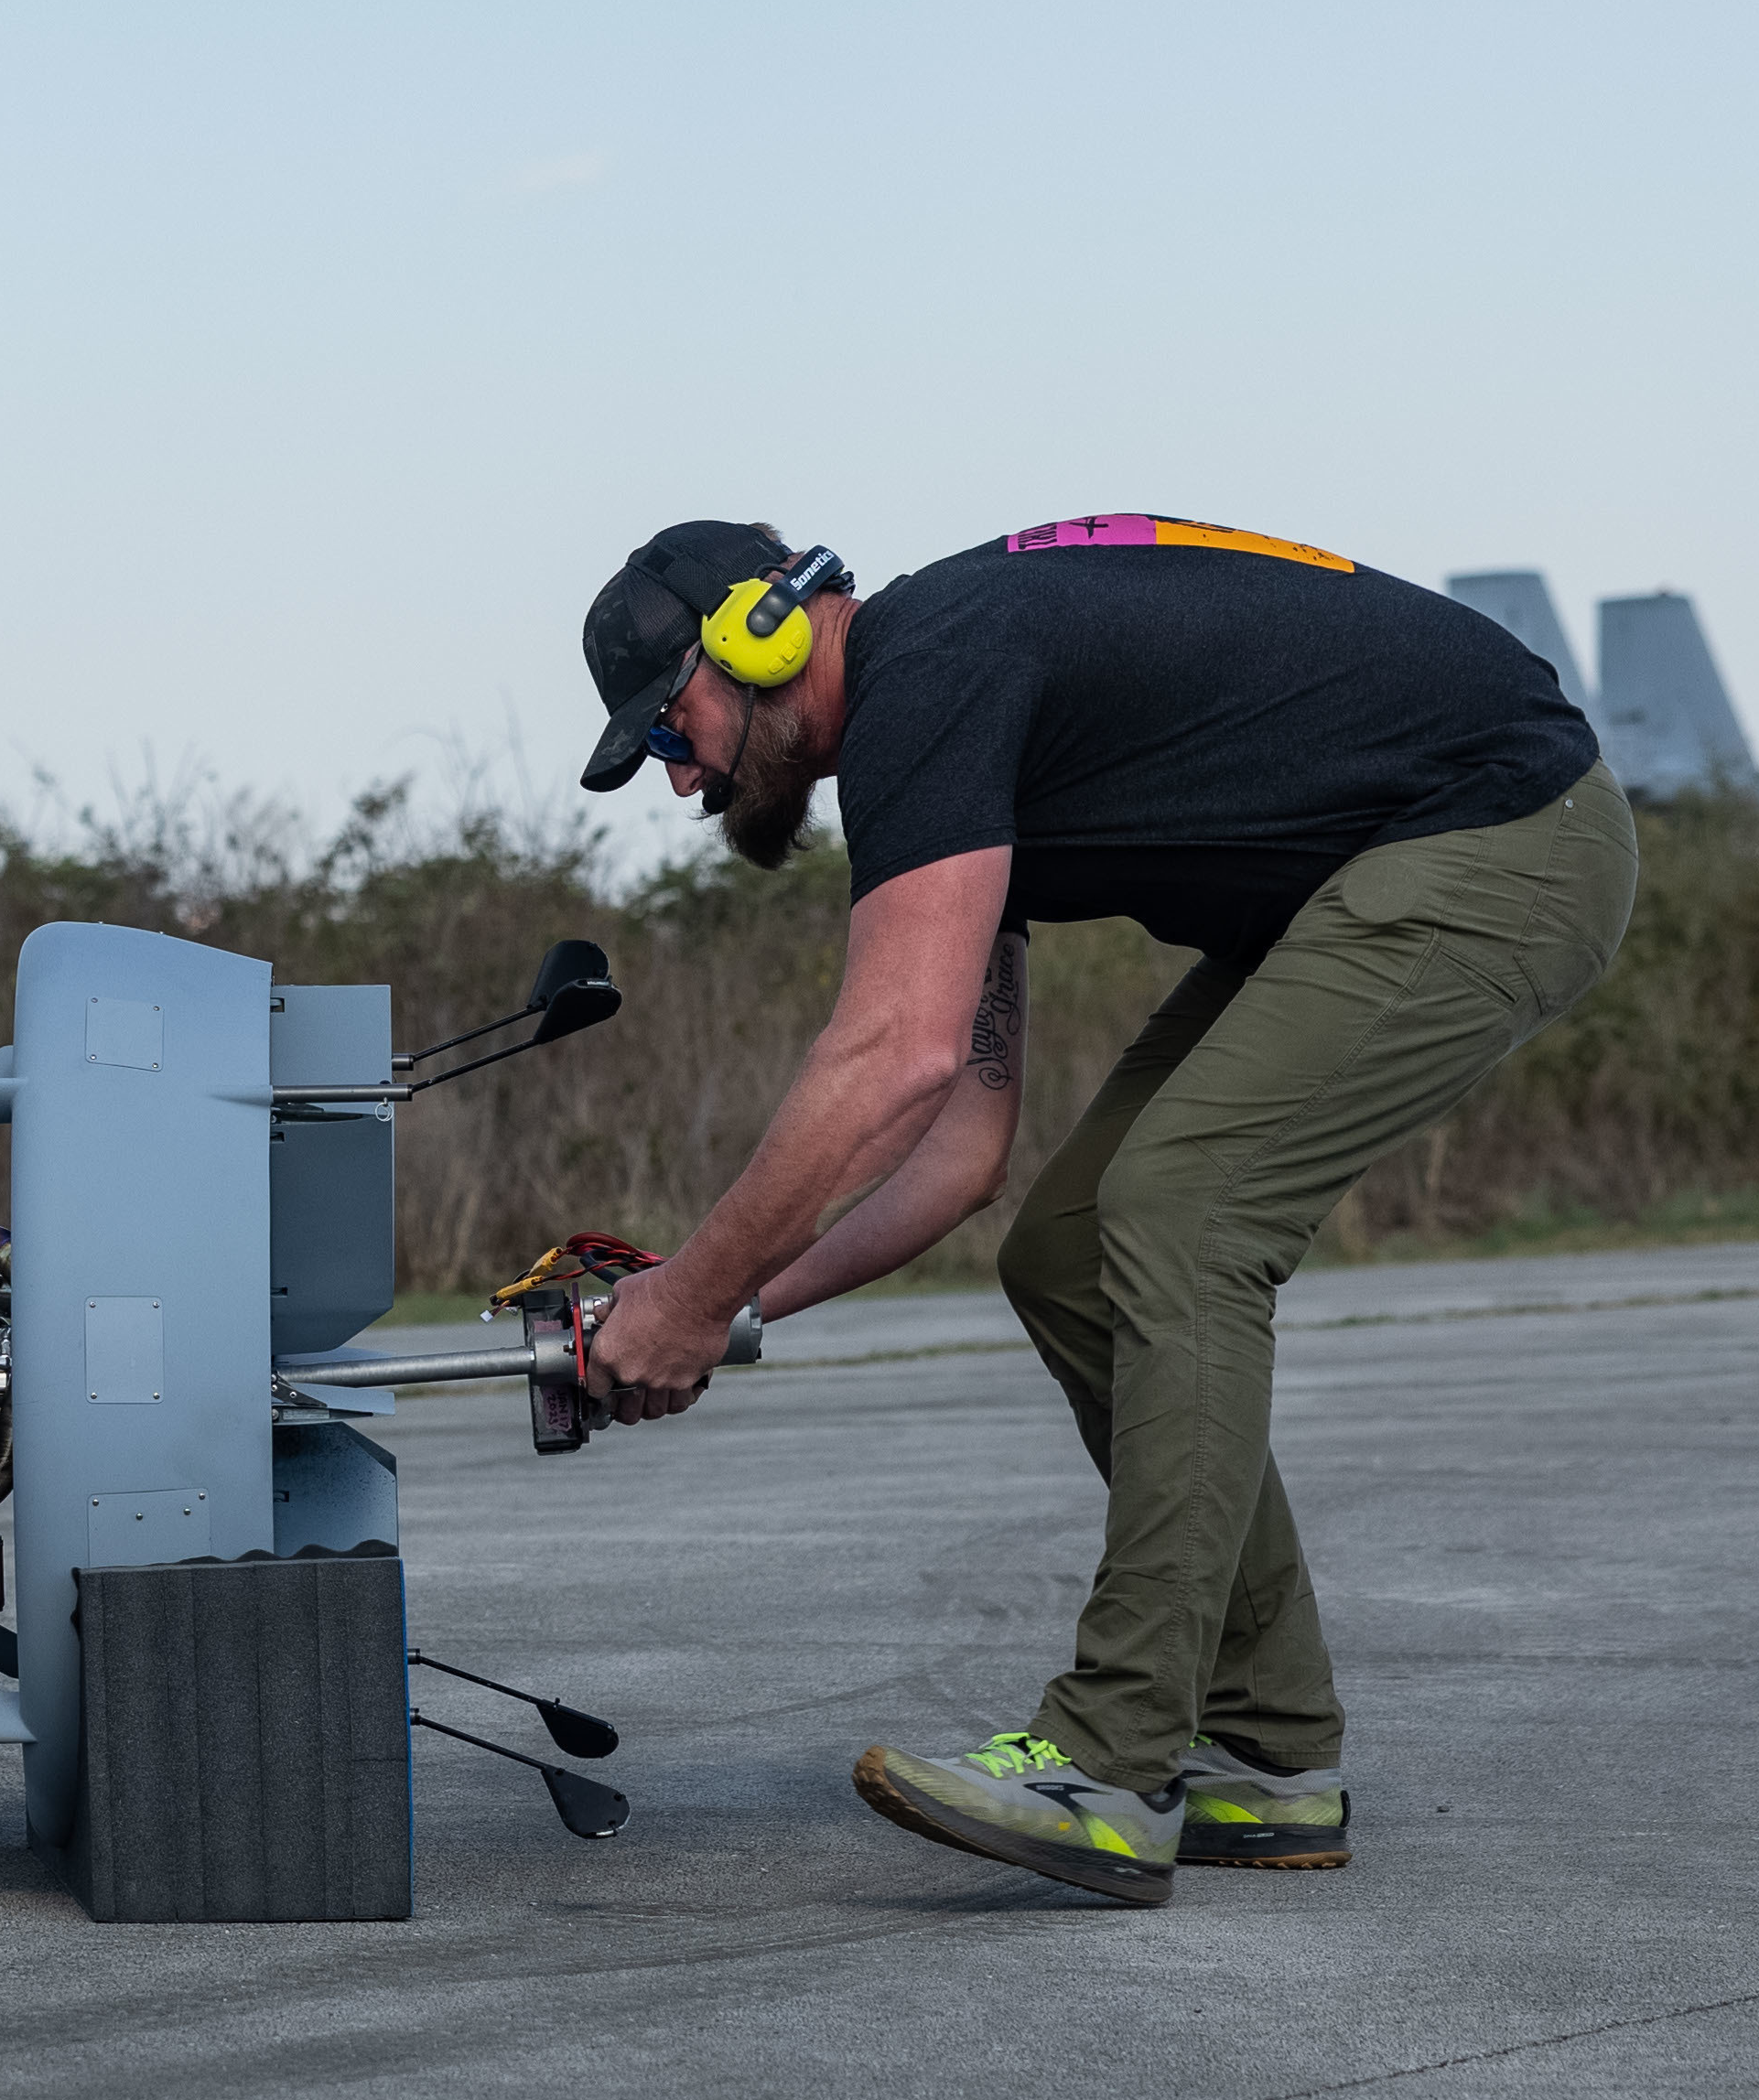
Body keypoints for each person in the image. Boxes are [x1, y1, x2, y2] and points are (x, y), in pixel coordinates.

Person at [564, 514, 1634, 1909]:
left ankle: (1110, 1761)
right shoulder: (940, 722)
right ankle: (1266, 1753)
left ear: (759, 633)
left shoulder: (930, 668)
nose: (680, 773)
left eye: (671, 724)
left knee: (1182, 1211)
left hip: (1502, 836)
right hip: (1367, 871)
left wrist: (688, 1297)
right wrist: (715, 1308)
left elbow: (896, 1057)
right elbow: (958, 1151)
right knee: (1068, 1248)